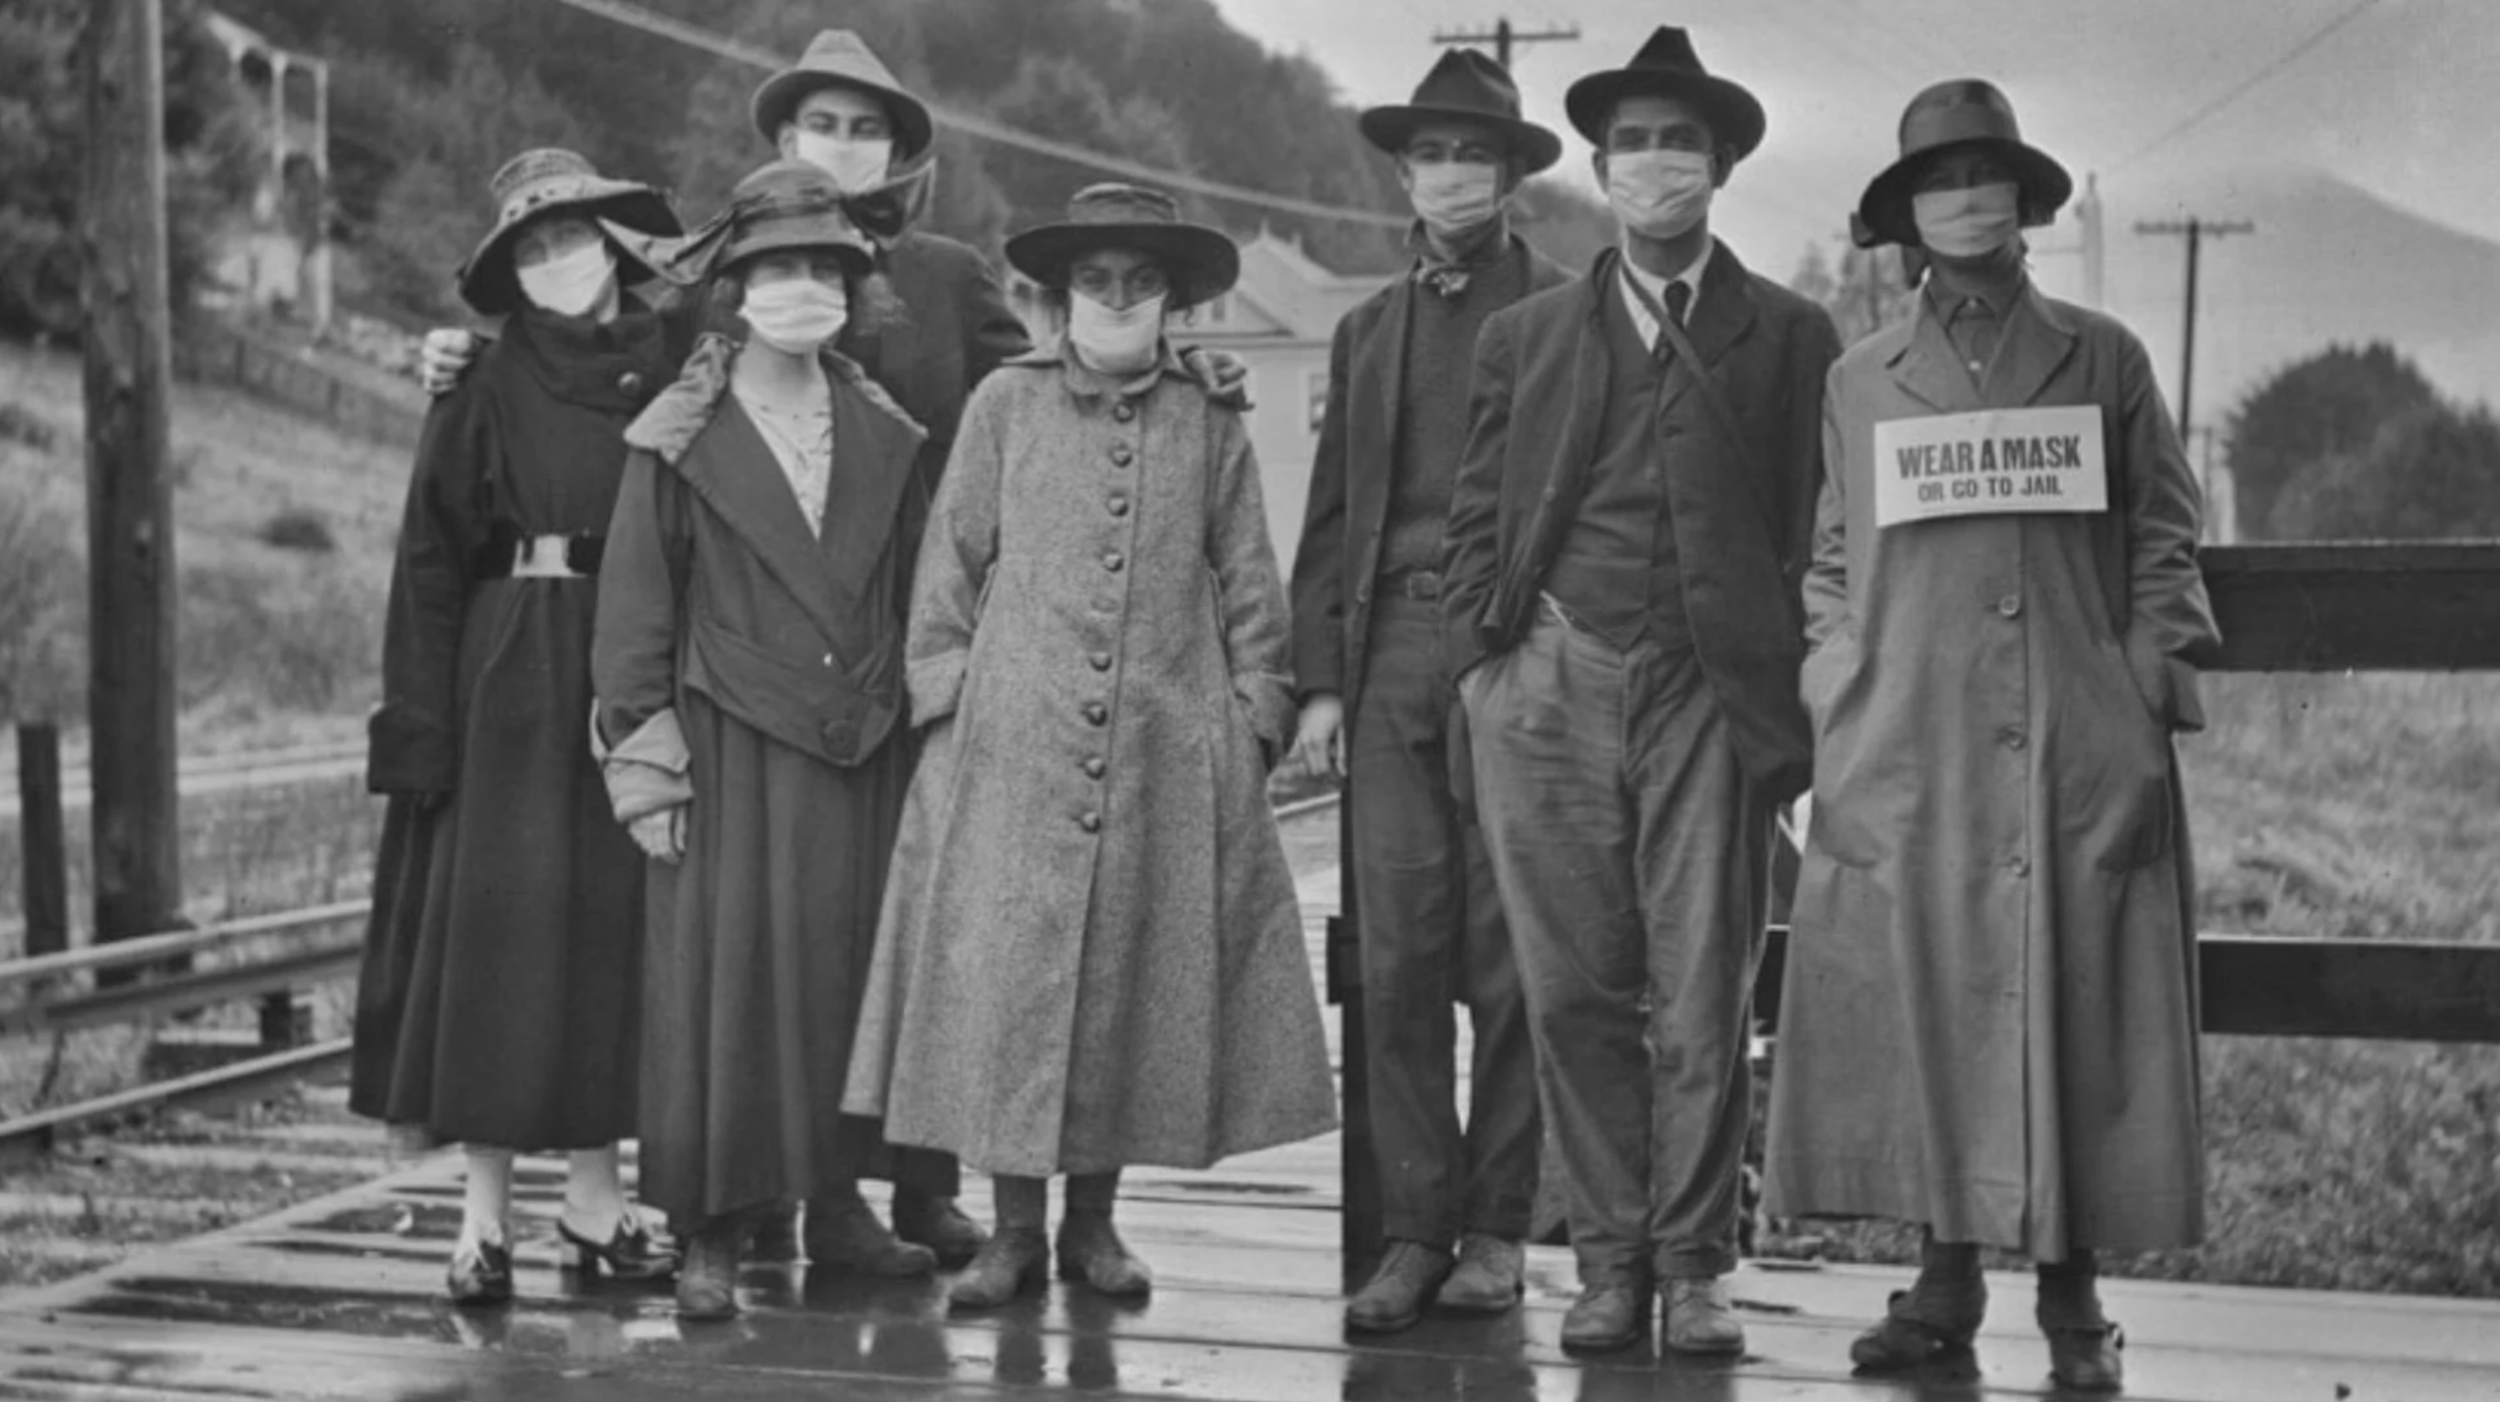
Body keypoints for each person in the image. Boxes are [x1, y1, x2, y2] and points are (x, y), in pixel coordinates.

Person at [1762, 79, 2217, 1392]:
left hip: (2079, 741)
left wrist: (2142, 695)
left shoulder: (2106, 356)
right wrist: (1842, 696)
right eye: (1939, 180)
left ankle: (2077, 1303)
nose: (1967, 198)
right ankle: (1945, 1283)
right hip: (1915, 744)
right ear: (1907, 213)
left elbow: (2166, 539)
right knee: (1935, 1003)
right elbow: (1834, 556)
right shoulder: (1860, 378)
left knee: (2073, 1001)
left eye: (1988, 175)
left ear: (2024, 201)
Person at [843, 184, 1338, 1313]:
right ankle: (1014, 1228)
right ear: (1060, 296)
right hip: (1013, 737)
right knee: (1020, 981)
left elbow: (1247, 571)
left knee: (1122, 976)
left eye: (1139, 281)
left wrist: (1257, 707)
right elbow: (952, 558)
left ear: (1170, 297)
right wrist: (950, 700)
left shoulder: (1208, 415)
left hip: (1164, 737)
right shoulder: (1003, 407)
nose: (1116, 298)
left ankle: (1095, 1228)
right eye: (1095, 282)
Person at [1440, 26, 1841, 1356]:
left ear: (1720, 162)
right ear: (1601, 169)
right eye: (1632, 144)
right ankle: (1608, 1260)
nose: (1655, 163)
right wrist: (1488, 672)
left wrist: (1782, 693)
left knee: (1706, 980)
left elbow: (1814, 525)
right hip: (1550, 673)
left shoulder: (1789, 335)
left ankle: (1700, 1261)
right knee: (1568, 985)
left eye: (1680, 140)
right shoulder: (1528, 333)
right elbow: (1474, 518)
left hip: (1709, 692)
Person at [588, 159, 939, 1320]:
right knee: (725, 989)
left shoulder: (884, 427)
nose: (802, 285)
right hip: (732, 740)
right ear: (735, 286)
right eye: (777, 266)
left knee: (848, 977)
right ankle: (713, 1229)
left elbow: (907, 586)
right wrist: (647, 767)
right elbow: (635, 606)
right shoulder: (678, 431)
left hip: (861, 742)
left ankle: (837, 1205)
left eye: (822, 267)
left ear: (853, 286)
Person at [352, 148, 686, 1305]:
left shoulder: (677, 359)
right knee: (495, 940)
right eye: (532, 249)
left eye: (571, 237)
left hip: (631, 657)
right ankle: (481, 1221)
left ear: (614, 241)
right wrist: (422, 729)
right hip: (504, 668)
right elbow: (427, 559)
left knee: (608, 930)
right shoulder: (478, 385)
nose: (557, 261)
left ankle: (595, 1201)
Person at [1286, 48, 1568, 1335]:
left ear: (1511, 175)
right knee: (1394, 954)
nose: (1453, 175)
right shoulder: (1365, 330)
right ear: (1404, 174)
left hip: (1518, 651)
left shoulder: (1571, 311)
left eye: (1475, 155)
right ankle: (1412, 1226)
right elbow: (1333, 516)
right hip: (1390, 649)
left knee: (1514, 956)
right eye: (1432, 155)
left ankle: (1499, 1228)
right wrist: (1324, 686)